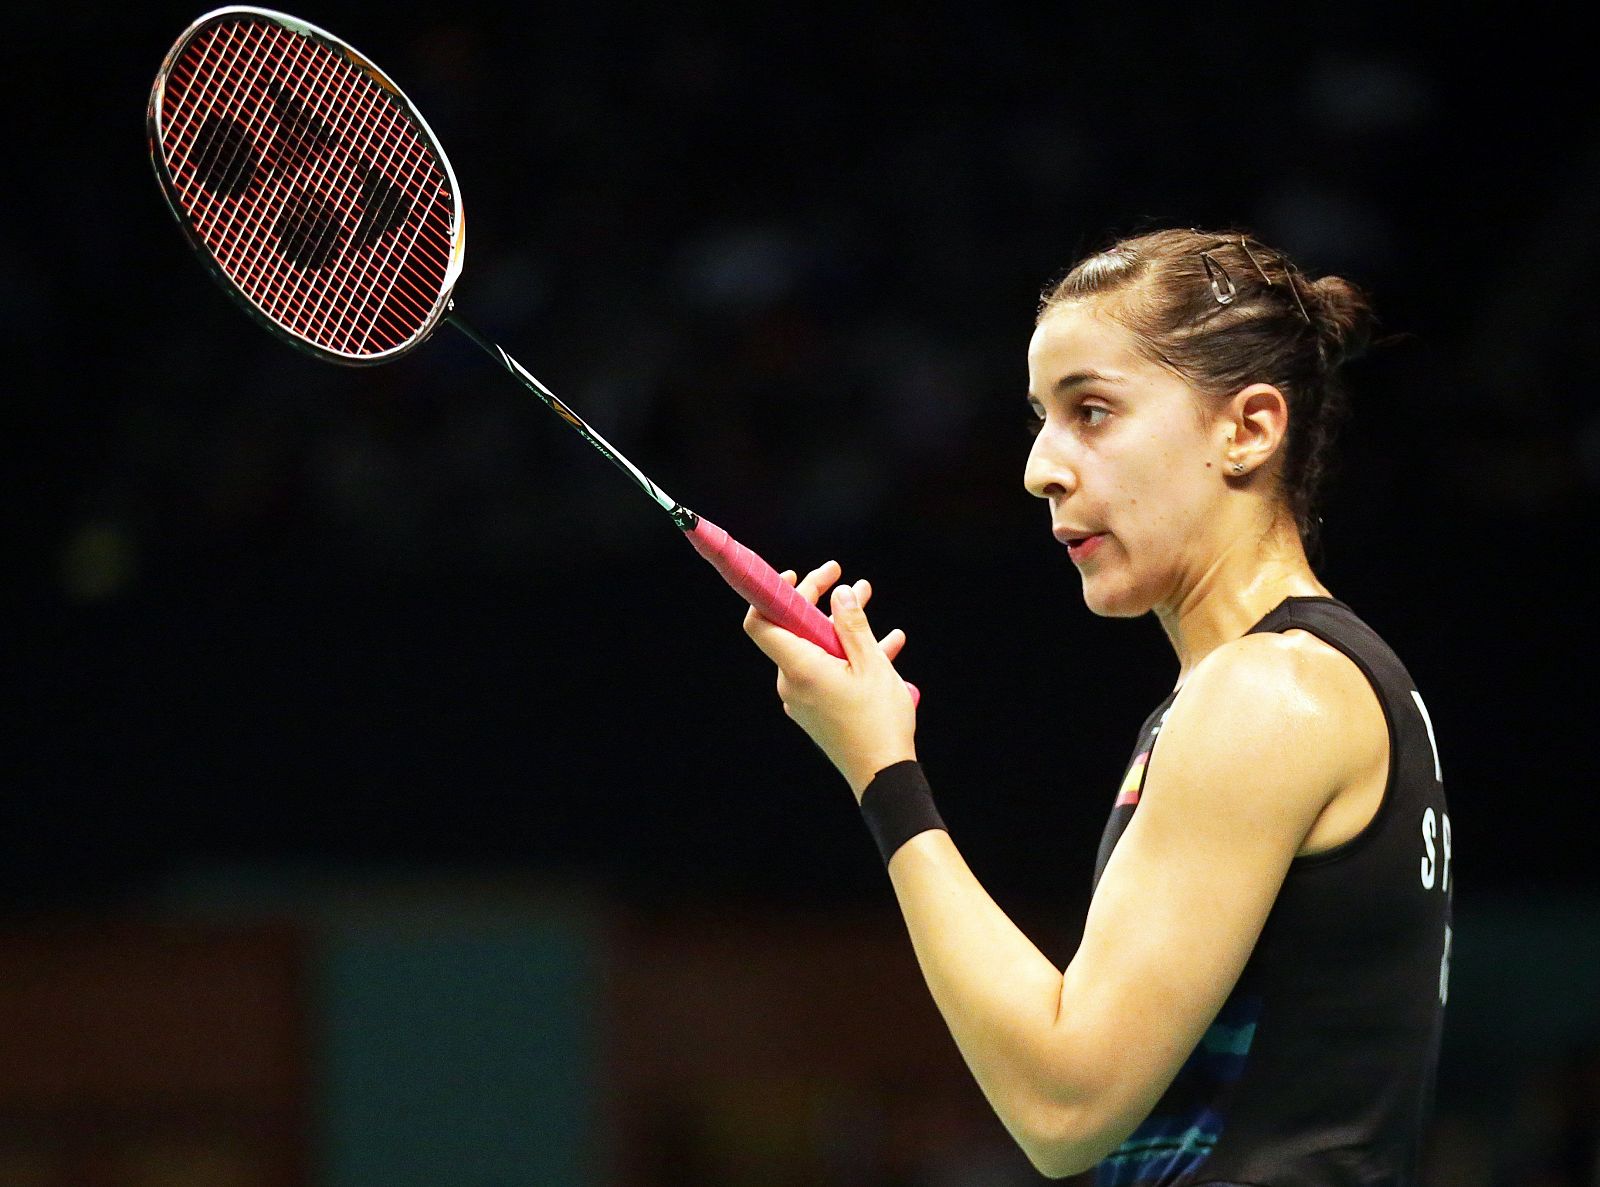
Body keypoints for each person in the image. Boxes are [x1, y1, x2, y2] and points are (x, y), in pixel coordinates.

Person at [742, 228, 1452, 1184]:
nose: (1042, 467)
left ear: (1247, 428)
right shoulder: (1290, 683)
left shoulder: (1268, 696)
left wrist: (882, 769)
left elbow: (1063, 1102)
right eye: (1042, 416)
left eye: (1093, 411)